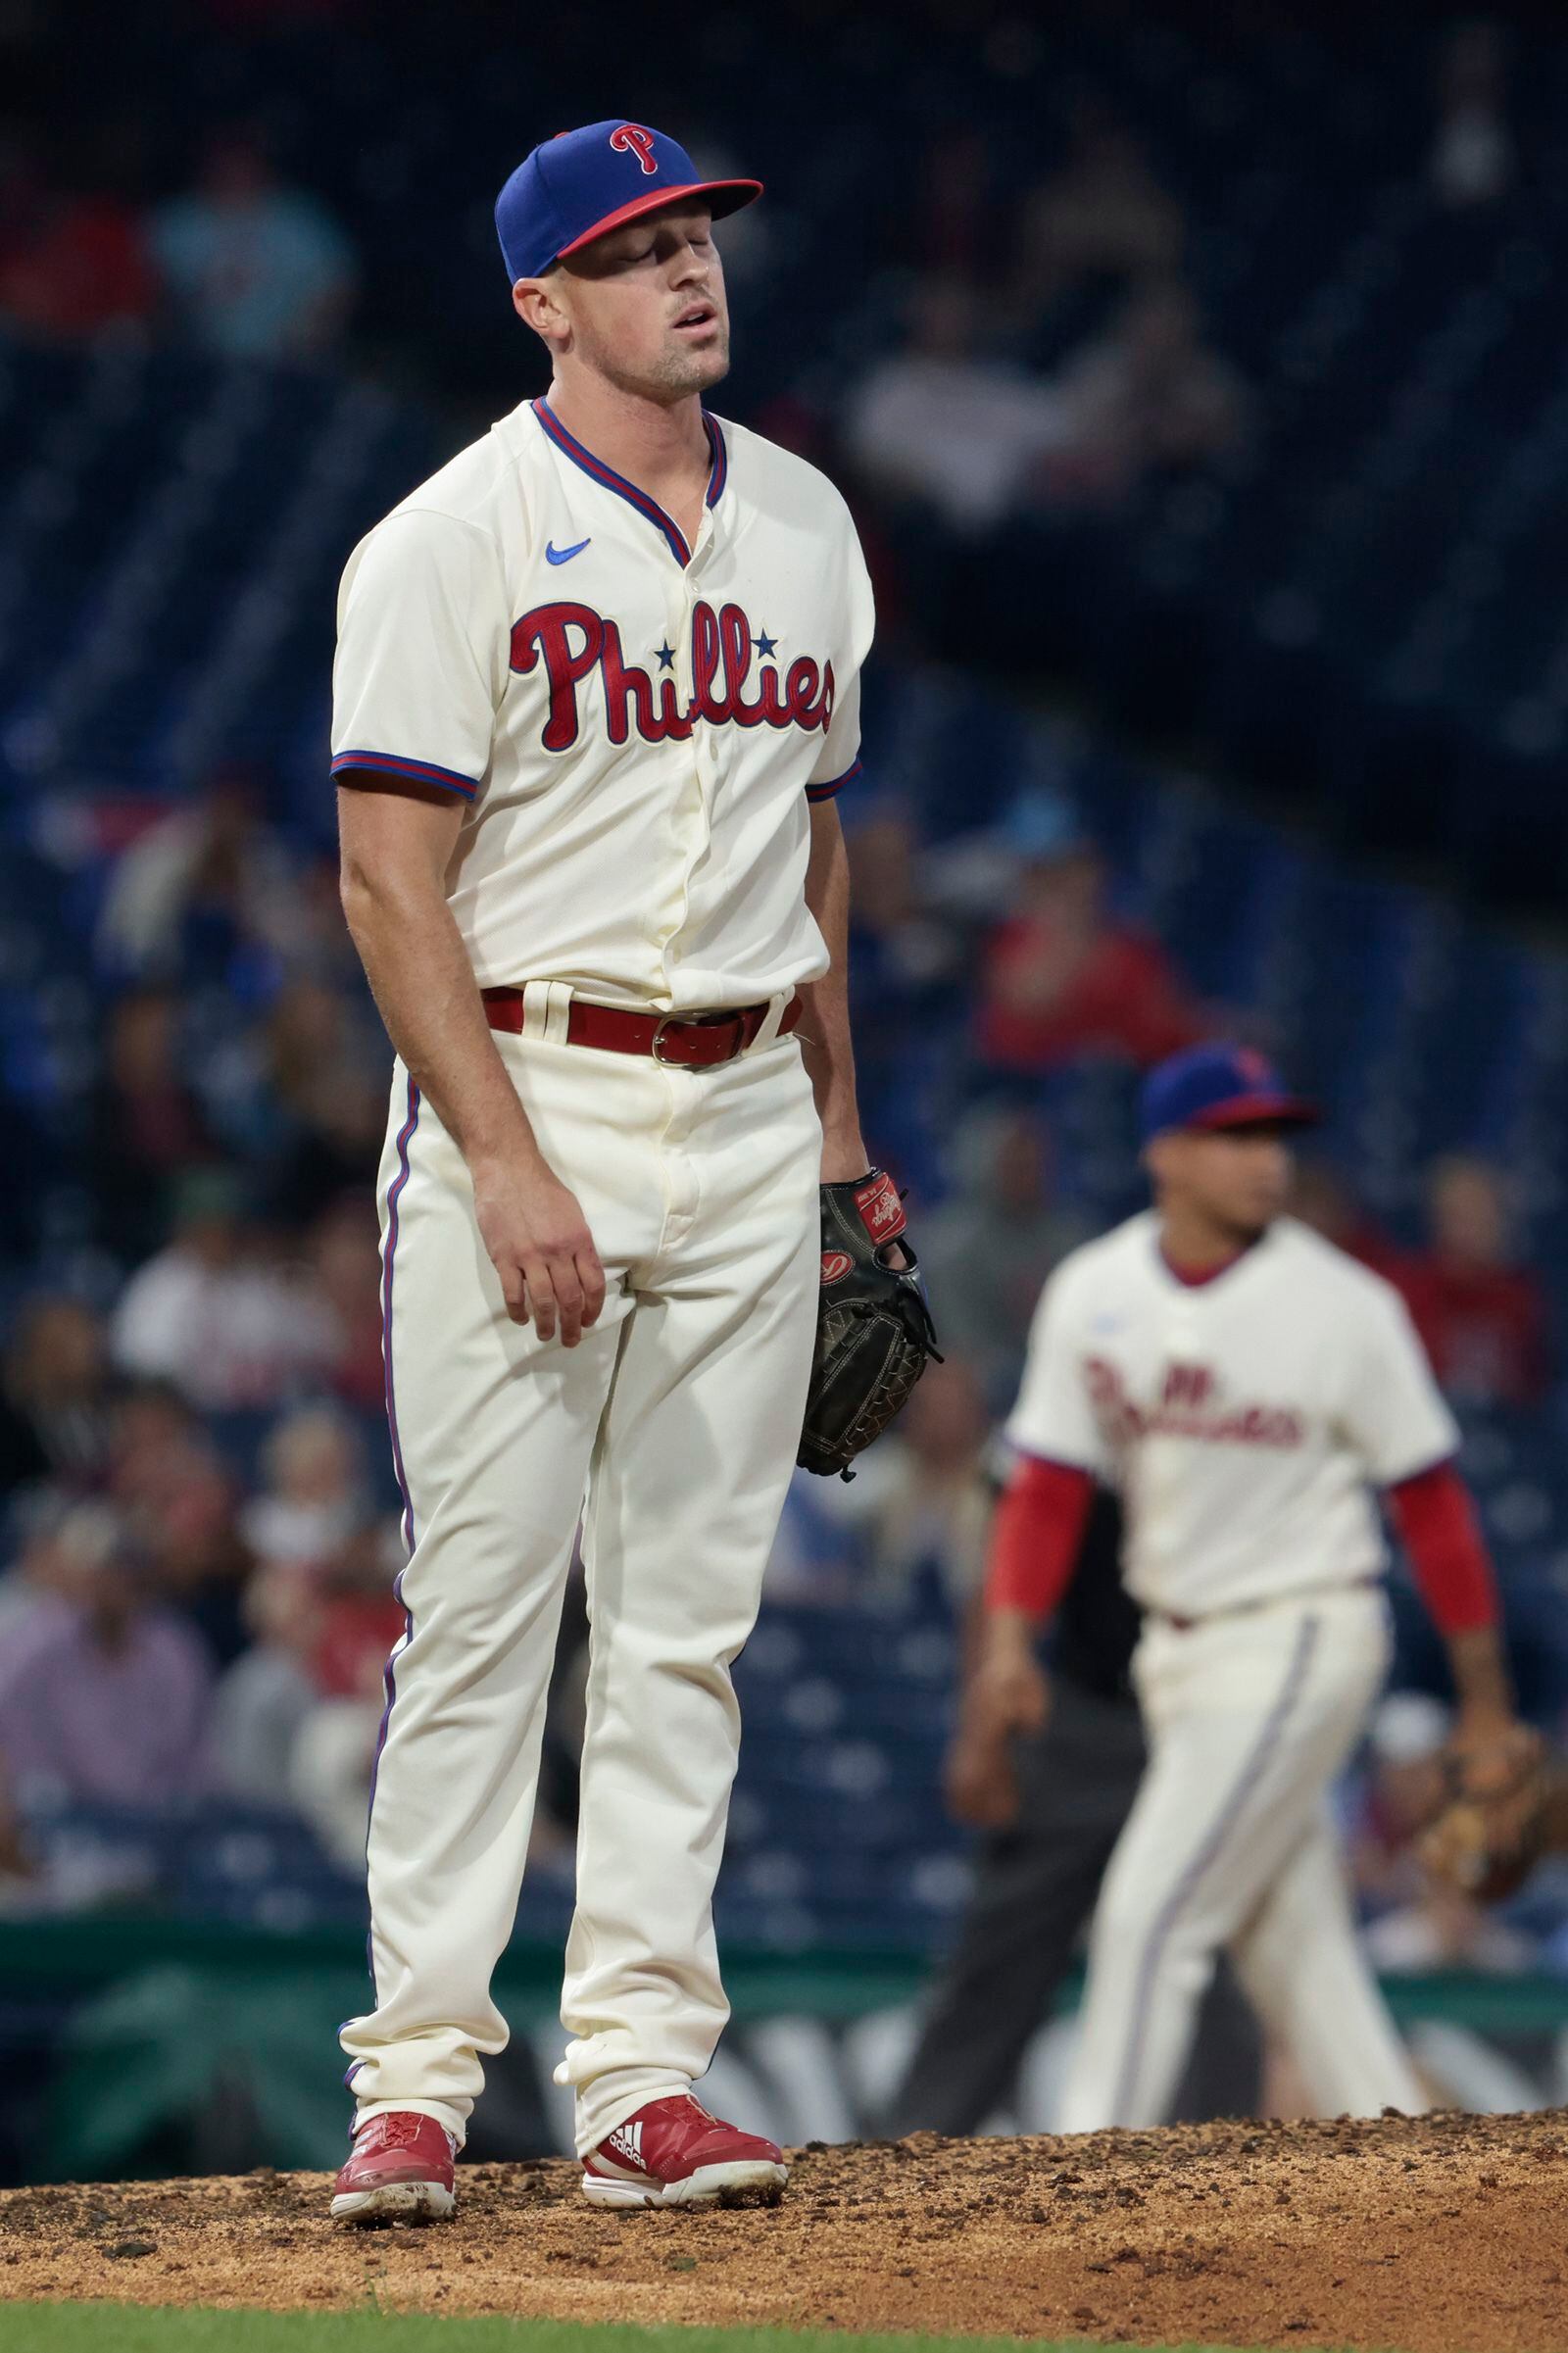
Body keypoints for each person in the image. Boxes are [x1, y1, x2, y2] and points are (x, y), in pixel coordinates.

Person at [327, 121, 895, 2223]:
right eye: (630, 253)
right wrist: (499, 1161)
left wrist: (838, 1128)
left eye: (698, 238)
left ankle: (644, 2078)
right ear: (538, 305)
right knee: (482, 1605)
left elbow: (810, 841)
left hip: (749, 1109)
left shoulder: (814, 528)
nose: (687, 275)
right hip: (532, 1085)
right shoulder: (443, 541)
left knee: (683, 1625)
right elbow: (390, 886)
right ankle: (412, 2080)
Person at [967, 1042, 1521, 2131]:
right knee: (1294, 1941)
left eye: (1274, 1135)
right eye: (1236, 1136)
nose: (1266, 1160)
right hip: (1170, 1652)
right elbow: (1042, 1489)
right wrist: (1005, 1646)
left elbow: (1433, 1505)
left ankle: (1084, 2184)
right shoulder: (1095, 1289)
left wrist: (1486, 1696)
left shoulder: (1343, 1304)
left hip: (1303, 1628)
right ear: (1165, 1152)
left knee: (1149, 1914)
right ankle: (1406, 2167)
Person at [893, 1484, 1260, 2134]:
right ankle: (906, 2154)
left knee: (1211, 1964)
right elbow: (1010, 1547)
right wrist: (981, 1727)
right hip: (1083, 1718)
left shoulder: (1243, 1410)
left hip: (1201, 1714)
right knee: (998, 1965)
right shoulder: (1089, 1391)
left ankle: (1227, 2168)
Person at [977, 793, 1205, 1073]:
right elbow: (1032, 1000)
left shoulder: (1134, 950)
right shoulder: (1012, 938)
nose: (1059, 884)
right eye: (1041, 874)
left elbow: (1168, 1029)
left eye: (1065, 870)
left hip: (1124, 1090)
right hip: (1023, 1090)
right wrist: (1065, 930)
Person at [1396, 1153, 1549, 1407]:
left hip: (1506, 1434)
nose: (1470, 1226)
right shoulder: (1405, 1292)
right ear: (1437, 1218)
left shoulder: (1521, 1298)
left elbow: (1535, 1393)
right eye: (1459, 1213)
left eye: (1481, 1211)